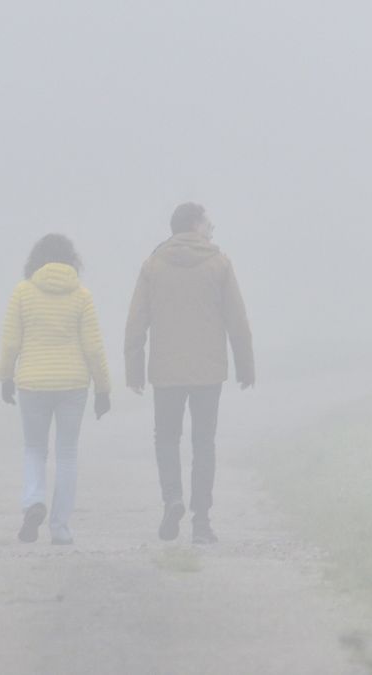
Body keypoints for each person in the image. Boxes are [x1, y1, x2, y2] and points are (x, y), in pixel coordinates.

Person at [125, 202, 255, 545]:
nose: (212, 229)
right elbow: (237, 321)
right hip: (208, 372)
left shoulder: (153, 264)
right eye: (208, 222)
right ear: (194, 225)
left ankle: (173, 499)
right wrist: (245, 365)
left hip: (165, 371)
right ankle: (201, 521)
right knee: (203, 442)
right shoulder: (219, 263)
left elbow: (136, 320)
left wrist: (134, 369)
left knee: (166, 438)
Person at [0, 233, 112, 546]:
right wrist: (103, 389)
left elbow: (10, 343)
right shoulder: (81, 296)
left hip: (32, 383)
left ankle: (34, 501)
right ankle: (60, 528)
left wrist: (6, 377)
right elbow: (93, 348)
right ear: (71, 260)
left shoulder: (22, 293)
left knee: (34, 448)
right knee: (67, 454)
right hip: (73, 385)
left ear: (35, 260)